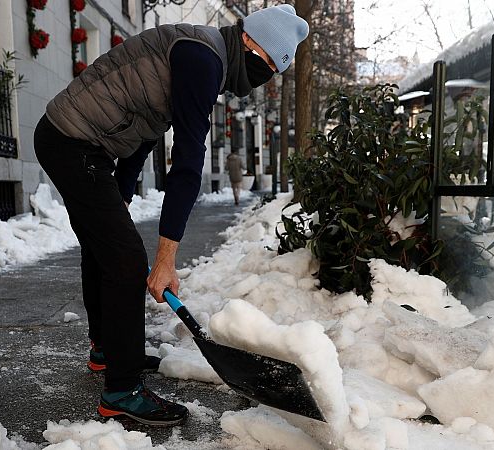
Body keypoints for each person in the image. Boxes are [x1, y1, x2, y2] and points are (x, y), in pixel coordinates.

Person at [33, 5, 308, 426]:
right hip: (71, 140)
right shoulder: (203, 59)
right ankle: (121, 391)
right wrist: (165, 260)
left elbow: (145, 129)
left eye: (275, 68)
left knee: (104, 245)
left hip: (85, 144)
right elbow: (187, 162)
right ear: (248, 40)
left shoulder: (204, 54)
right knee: (126, 262)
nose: (265, 73)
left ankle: (106, 349)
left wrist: (122, 194)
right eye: (266, 60)